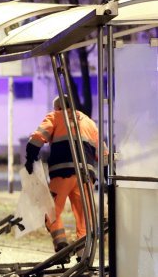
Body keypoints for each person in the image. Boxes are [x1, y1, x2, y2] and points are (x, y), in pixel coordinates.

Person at [25, 96, 103, 253]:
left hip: (63, 172)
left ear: (59, 107)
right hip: (86, 176)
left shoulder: (55, 116)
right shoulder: (89, 122)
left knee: (50, 210)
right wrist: (109, 173)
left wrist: (30, 158)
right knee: (85, 217)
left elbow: (37, 138)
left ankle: (61, 244)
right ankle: (83, 254)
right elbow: (103, 152)